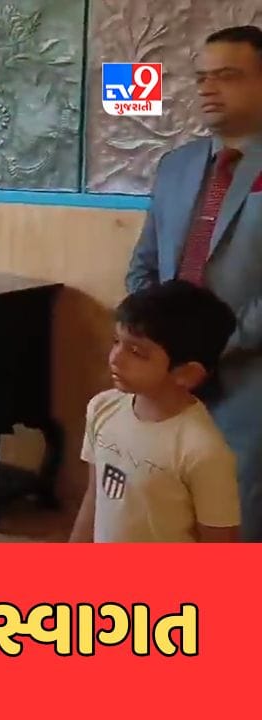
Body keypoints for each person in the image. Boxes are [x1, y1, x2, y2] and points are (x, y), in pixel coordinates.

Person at [125, 25, 262, 541]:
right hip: (167, 378)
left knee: (236, 522)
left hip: (249, 379)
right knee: (164, 517)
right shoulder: (177, 165)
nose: (208, 88)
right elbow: (144, 264)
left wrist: (210, 347)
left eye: (227, 75)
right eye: (202, 77)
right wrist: (153, 345)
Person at [71, 280, 240, 542]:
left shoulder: (203, 451)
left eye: (136, 351)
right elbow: (94, 497)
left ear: (187, 373)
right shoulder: (102, 408)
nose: (115, 357)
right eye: (116, 341)